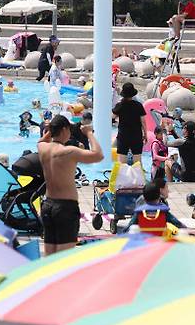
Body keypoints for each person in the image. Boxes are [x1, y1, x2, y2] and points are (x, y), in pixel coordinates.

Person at [38, 115, 103, 255]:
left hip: (47, 205)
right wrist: (89, 133)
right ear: (64, 130)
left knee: (49, 256)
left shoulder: (42, 148)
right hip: (65, 208)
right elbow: (98, 155)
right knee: (63, 257)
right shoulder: (69, 152)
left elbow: (42, 140)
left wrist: (50, 131)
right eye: (69, 130)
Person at [112, 83, 147, 165]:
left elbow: (112, 116)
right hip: (136, 135)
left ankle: (123, 177)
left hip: (123, 135)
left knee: (122, 163)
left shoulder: (120, 105)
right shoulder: (138, 105)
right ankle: (138, 177)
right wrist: (146, 134)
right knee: (137, 163)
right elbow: (143, 122)